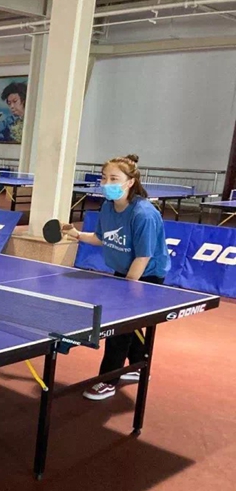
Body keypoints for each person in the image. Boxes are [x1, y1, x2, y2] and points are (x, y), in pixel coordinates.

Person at [62, 154, 170, 401]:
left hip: (147, 274)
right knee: (131, 324)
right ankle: (139, 365)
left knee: (118, 328)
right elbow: (101, 238)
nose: (107, 183)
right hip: (124, 271)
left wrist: (127, 291)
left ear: (130, 182)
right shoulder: (108, 207)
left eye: (114, 178)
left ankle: (108, 380)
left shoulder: (143, 214)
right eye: (104, 178)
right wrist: (77, 234)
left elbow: (143, 257)